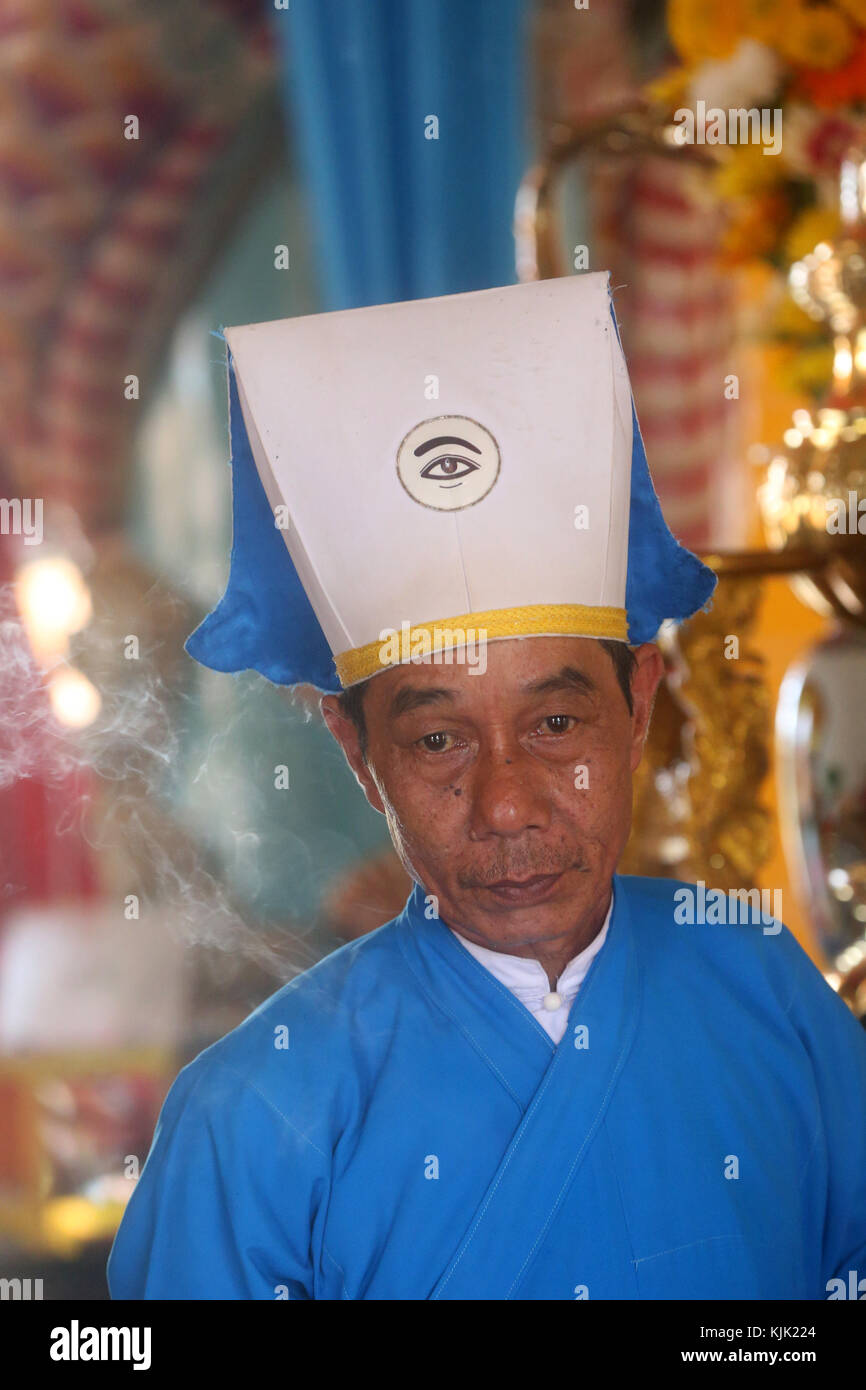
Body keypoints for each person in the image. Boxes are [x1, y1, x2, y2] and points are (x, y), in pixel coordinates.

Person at [108, 273, 866, 1300]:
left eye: (555, 725)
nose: (506, 804)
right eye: (436, 743)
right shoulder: (252, 1116)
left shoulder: (766, 993)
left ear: (639, 703)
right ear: (354, 750)